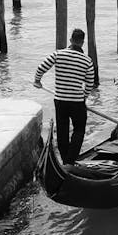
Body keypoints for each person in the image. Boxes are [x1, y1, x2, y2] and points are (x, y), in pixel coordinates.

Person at [34, 28, 95, 164]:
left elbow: (41, 67)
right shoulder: (87, 60)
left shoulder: (58, 54)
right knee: (79, 130)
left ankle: (65, 161)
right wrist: (83, 97)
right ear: (82, 42)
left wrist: (37, 81)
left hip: (60, 100)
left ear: (71, 40)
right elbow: (90, 83)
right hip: (77, 102)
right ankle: (70, 161)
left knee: (62, 131)